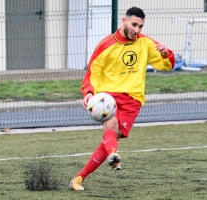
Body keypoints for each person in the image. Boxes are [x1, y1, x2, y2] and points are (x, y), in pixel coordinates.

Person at [69, 6, 175, 191]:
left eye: (141, 26)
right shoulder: (106, 45)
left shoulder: (146, 43)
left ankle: (79, 177)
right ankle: (112, 155)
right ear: (124, 21)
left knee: (114, 135)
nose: (137, 30)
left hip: (133, 99)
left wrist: (166, 54)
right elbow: (91, 73)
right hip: (107, 97)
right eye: (134, 24)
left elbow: (167, 65)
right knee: (111, 126)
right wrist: (88, 92)